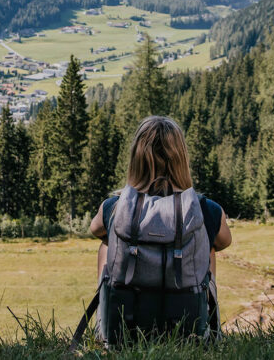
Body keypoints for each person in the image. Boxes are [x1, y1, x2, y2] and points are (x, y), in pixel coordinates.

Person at [88, 115, 231, 337]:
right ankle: (209, 327)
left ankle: (103, 328)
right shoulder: (204, 209)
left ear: (136, 159)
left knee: (107, 242)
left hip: (127, 328)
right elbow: (225, 241)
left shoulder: (116, 207)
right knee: (209, 245)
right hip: (187, 327)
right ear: (181, 159)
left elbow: (94, 228)